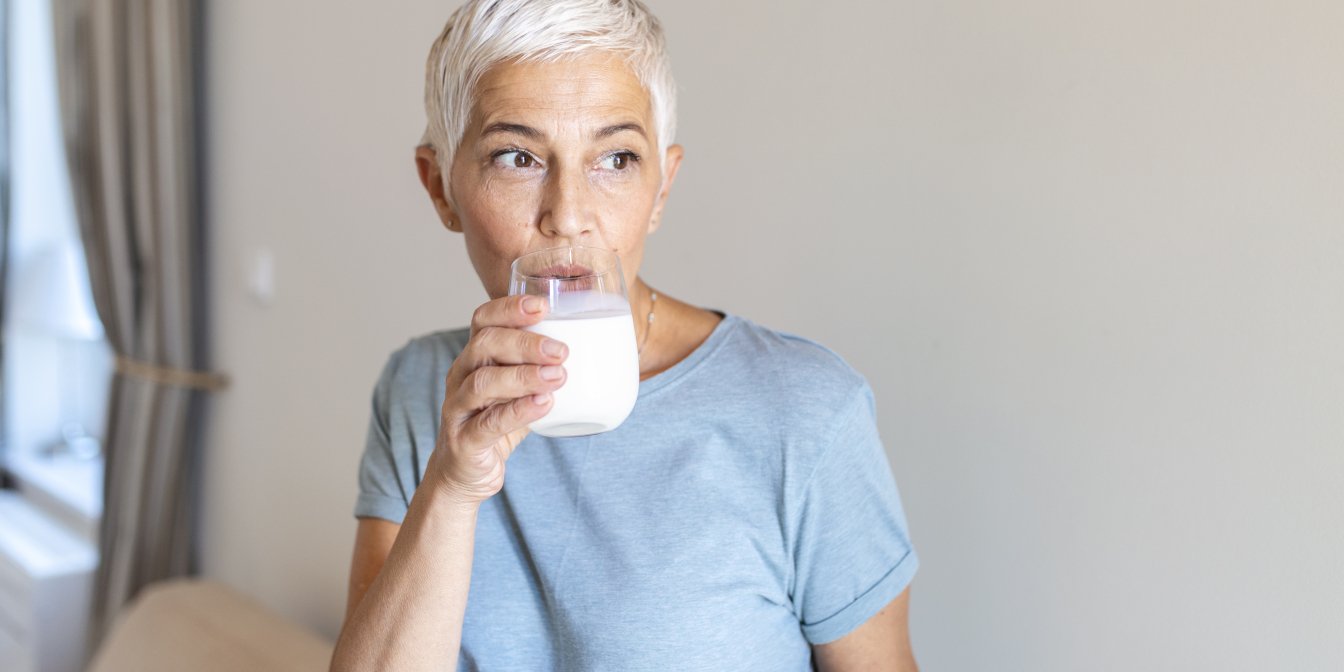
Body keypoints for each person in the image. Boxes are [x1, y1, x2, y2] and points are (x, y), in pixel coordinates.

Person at [330, 1, 919, 670]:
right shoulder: (418, 388)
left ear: (661, 189)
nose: (568, 215)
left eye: (615, 159)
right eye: (517, 157)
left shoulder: (807, 413)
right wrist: (452, 483)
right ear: (441, 188)